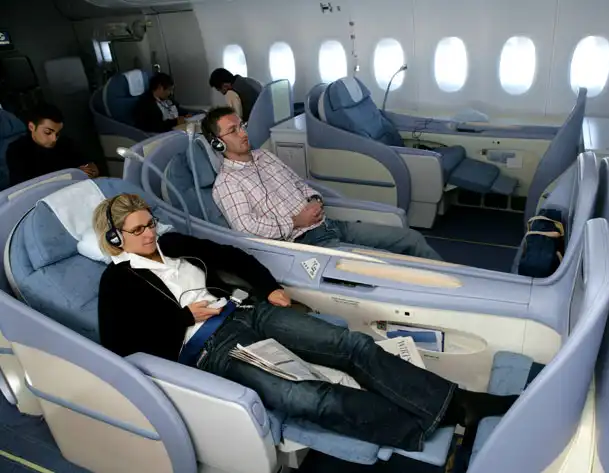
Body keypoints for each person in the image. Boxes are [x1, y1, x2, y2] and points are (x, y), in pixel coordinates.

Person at [93, 193, 517, 451]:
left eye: (150, 223)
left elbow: (232, 256)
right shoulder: (117, 282)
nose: (149, 234)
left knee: (353, 345)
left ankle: (461, 404)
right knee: (308, 397)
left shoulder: (172, 244)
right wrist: (183, 317)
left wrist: (269, 287)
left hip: (246, 312)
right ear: (116, 239)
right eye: (138, 230)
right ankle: (420, 429)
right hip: (211, 347)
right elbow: (122, 348)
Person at [203, 106, 443, 261]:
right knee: (387, 263)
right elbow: (246, 228)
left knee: (411, 239)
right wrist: (296, 221)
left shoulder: (265, 156)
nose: (243, 133)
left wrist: (314, 199)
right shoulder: (227, 183)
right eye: (233, 130)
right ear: (217, 143)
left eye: (242, 125)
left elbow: (299, 184)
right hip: (304, 243)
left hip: (330, 225)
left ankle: (459, 286)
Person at [6, 103, 99, 186]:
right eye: (47, 132)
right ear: (32, 127)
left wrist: (90, 171)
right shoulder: (17, 150)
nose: (54, 139)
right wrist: (72, 174)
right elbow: (26, 186)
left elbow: (90, 166)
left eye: (57, 133)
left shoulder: (66, 143)